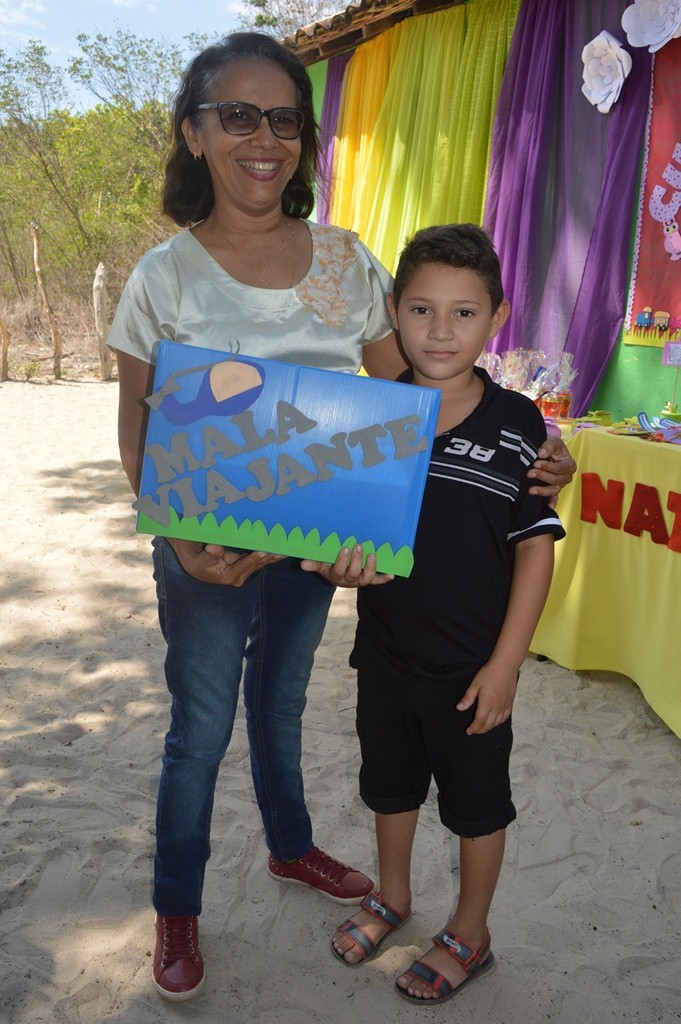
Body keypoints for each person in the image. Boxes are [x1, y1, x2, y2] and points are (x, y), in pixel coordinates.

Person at [108, 33, 575, 1003]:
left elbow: (411, 397)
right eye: (238, 115)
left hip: (316, 549)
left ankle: (290, 846)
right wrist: (184, 539)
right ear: (195, 133)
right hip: (204, 550)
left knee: (280, 702)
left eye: (284, 118)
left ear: (304, 138)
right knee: (200, 726)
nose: (263, 137)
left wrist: (533, 448)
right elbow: (138, 423)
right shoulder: (162, 275)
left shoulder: (344, 260)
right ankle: (176, 906)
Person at [330, 224, 566, 1005]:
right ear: (393, 312)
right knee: (388, 786)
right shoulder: (369, 413)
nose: (440, 330)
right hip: (383, 654)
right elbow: (339, 534)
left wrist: (505, 668)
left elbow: (535, 551)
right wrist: (336, 564)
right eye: (421, 309)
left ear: (496, 317)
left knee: (476, 806)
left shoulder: (519, 424)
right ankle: (392, 896)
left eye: (463, 313)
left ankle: (471, 929)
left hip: (471, 673)